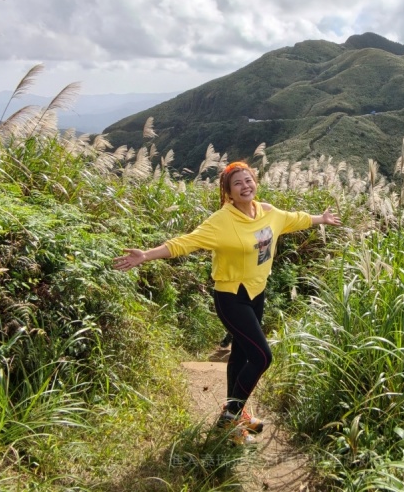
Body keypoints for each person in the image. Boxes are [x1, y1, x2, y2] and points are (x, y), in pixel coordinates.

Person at [113, 160, 341, 443]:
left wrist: (321, 218)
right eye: (238, 184)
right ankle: (230, 418)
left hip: (257, 293)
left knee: (241, 354)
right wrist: (146, 255)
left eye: (248, 180)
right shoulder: (222, 221)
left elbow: (294, 219)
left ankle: (236, 416)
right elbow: (187, 241)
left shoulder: (267, 212)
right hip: (231, 297)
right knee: (261, 356)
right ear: (228, 193)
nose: (245, 186)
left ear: (255, 183)